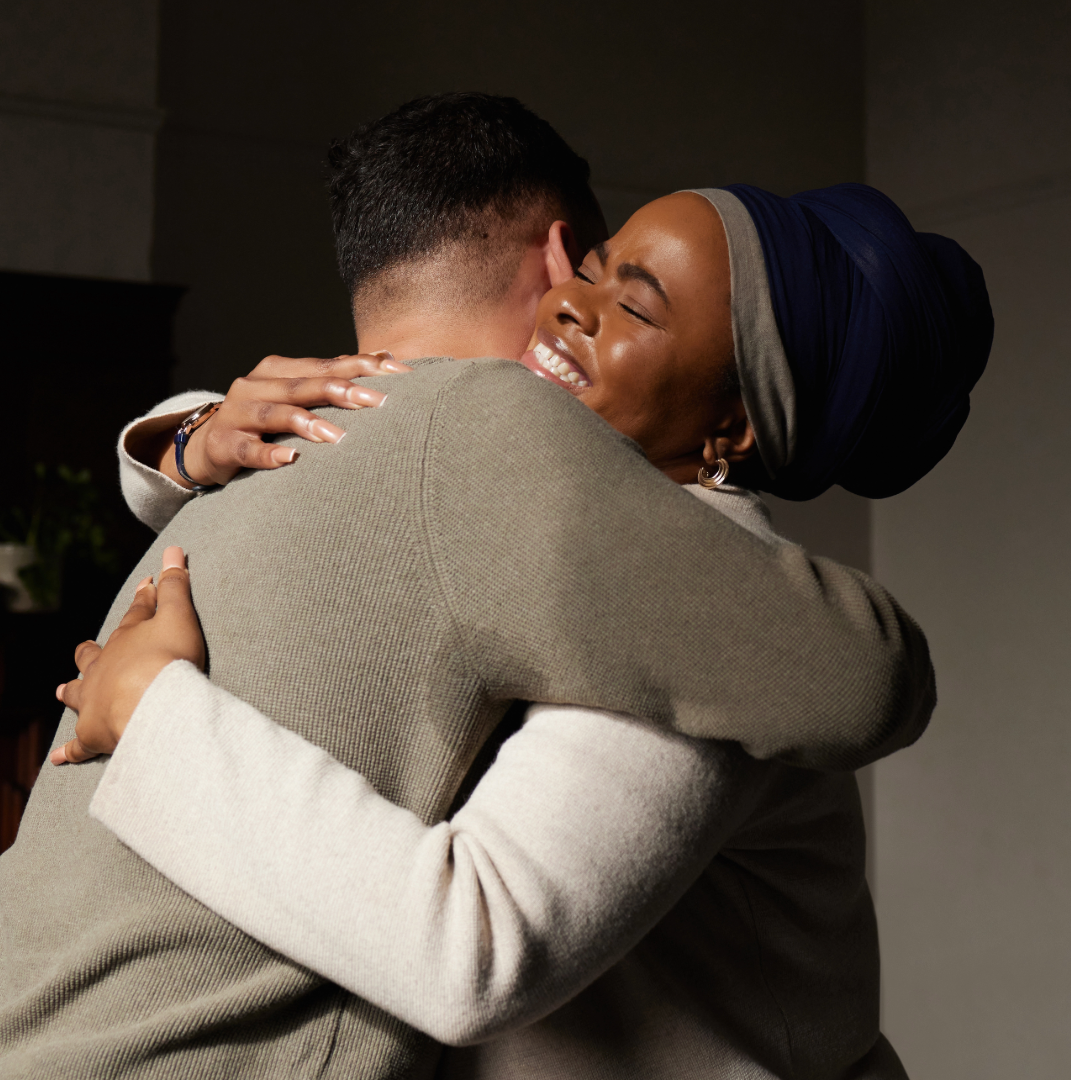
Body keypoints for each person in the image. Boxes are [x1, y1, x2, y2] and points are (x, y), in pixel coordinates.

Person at [0, 95, 937, 1079]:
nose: (578, 303)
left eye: (636, 298)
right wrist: (182, 444)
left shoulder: (685, 578)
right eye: (599, 270)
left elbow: (471, 954)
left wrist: (155, 718)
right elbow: (397, 519)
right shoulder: (484, 495)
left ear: (732, 432)